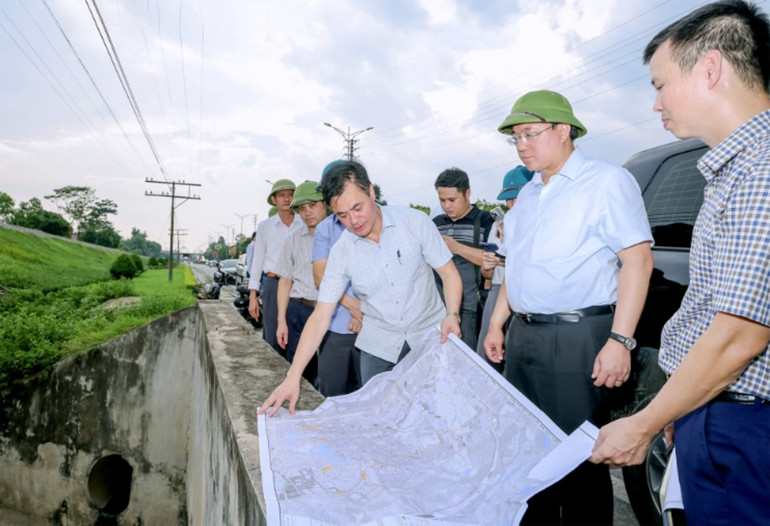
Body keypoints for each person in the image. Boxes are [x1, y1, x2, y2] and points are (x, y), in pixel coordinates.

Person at [591, 2, 770, 524]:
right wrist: (683, 403)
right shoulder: (732, 170)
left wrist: (644, 422)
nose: (655, 104)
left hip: (744, 423)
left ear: (710, 68)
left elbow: (740, 336)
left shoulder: (760, 172)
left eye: (660, 84)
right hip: (713, 403)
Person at [484, 89, 653, 525]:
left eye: (530, 134)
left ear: (563, 130)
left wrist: (620, 341)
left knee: (579, 457)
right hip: (523, 335)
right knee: (528, 449)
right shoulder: (527, 197)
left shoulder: (606, 182)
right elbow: (515, 269)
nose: (521, 145)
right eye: (516, 137)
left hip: (576, 336)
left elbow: (638, 261)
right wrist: (498, 324)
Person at [259, 160, 463, 416]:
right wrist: (292, 377)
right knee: (380, 418)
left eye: (358, 208)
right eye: (342, 215)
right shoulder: (342, 251)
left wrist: (452, 314)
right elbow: (321, 316)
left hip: (430, 338)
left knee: (434, 413)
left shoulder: (414, 222)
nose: (354, 221)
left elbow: (449, 273)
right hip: (379, 347)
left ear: (371, 192)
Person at [312, 160, 363, 397]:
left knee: (371, 397)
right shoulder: (325, 229)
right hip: (335, 326)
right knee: (332, 396)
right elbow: (320, 277)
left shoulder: (371, 221)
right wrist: (353, 306)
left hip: (374, 329)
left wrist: (365, 312)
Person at [475, 166, 533, 370]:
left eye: (516, 197)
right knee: (488, 360)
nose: (511, 204)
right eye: (508, 199)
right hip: (497, 291)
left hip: (526, 297)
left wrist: (508, 253)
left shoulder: (540, 223)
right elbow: (486, 274)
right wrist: (488, 264)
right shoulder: (498, 225)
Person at [432, 168, 494, 349]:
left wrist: (456, 248)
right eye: (442, 200)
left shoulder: (485, 221)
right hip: (436, 307)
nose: (447, 205)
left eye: (452, 200)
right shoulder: (436, 223)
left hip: (470, 309)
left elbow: (493, 261)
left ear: (467, 193)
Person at [274, 181, 327, 383]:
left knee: (330, 375)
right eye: (302, 208)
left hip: (331, 312)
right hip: (299, 310)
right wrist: (281, 321)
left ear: (325, 204)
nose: (307, 212)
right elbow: (285, 280)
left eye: (313, 205)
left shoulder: (343, 236)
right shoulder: (293, 239)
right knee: (299, 373)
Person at [248, 179, 301, 355]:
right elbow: (257, 262)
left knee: (298, 336)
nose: (286, 199)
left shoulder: (303, 223)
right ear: (274, 200)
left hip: (299, 286)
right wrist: (253, 296)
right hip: (273, 284)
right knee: (273, 336)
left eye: (290, 195)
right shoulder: (265, 227)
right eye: (281, 195)